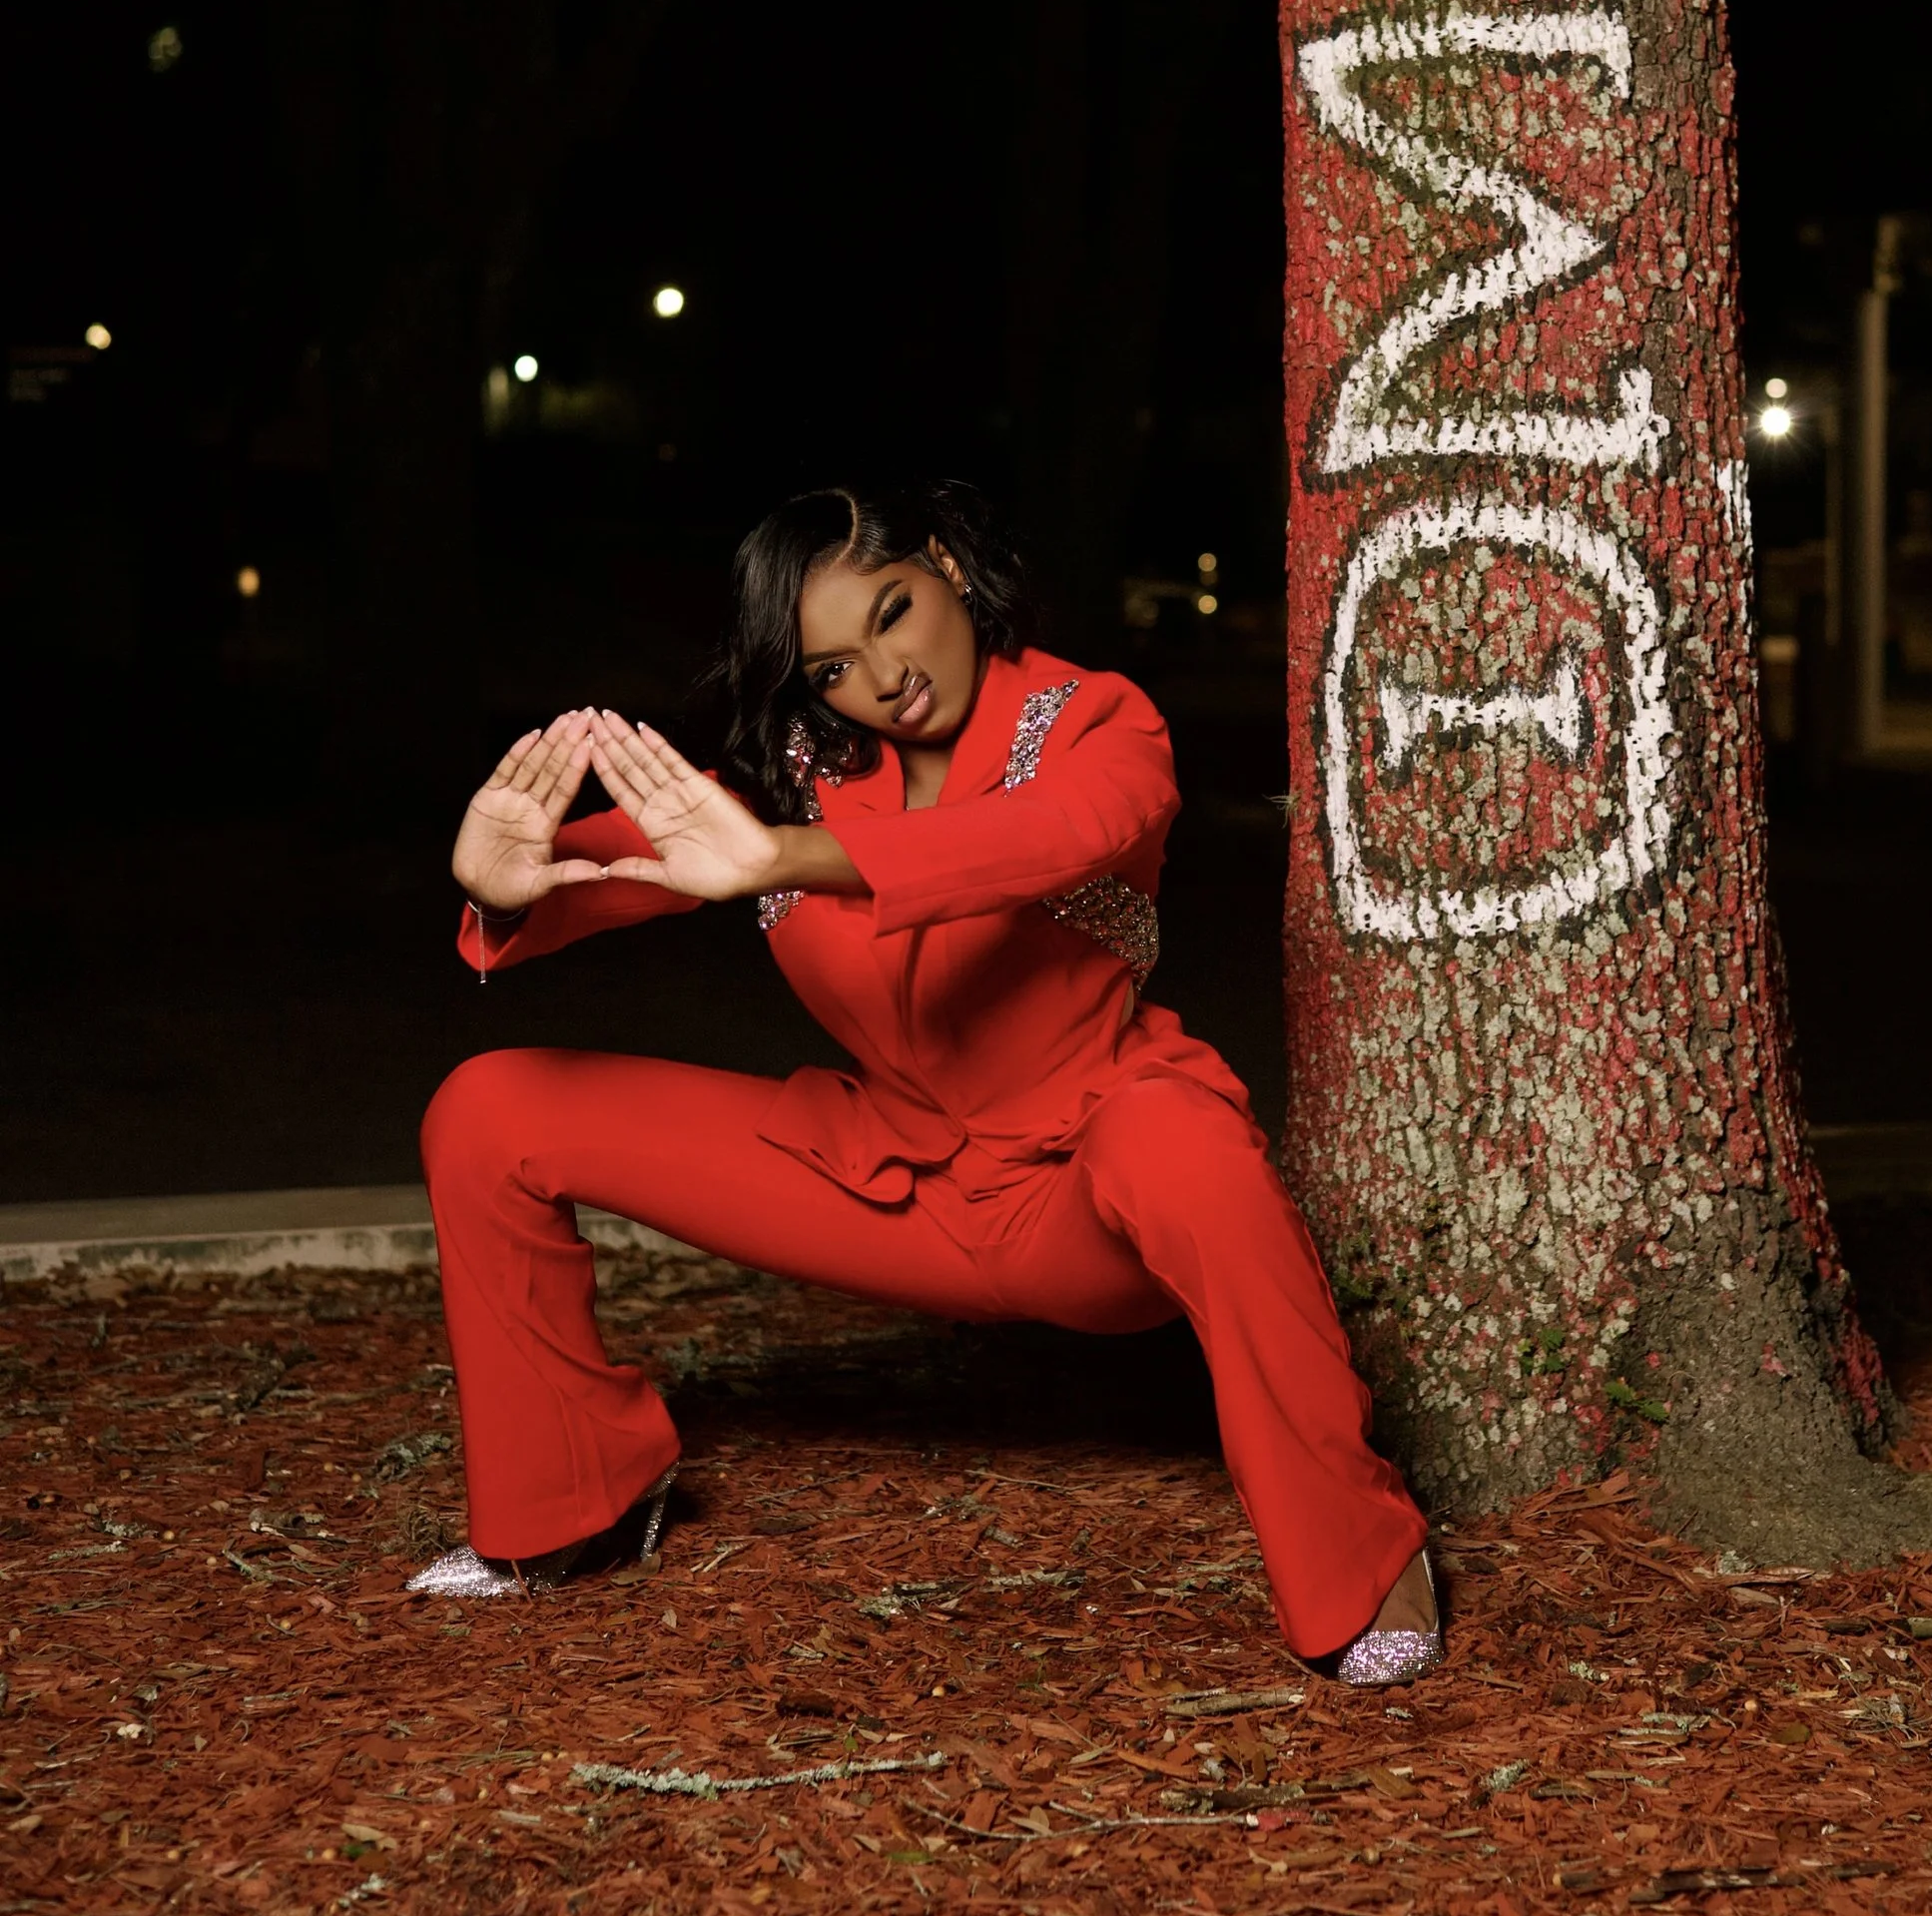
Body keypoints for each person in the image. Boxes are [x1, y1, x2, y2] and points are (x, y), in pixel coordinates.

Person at [414, 477, 1440, 1683]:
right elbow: (659, 857)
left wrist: (788, 858)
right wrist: (499, 883)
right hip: (889, 1181)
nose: (882, 675)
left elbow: (1043, 839)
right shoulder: (805, 771)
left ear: (949, 564)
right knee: (488, 1110)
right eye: (835, 666)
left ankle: (1360, 1563)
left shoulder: (1097, 723)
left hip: (1087, 1188)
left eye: (892, 611)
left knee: (1183, 1144)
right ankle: (575, 1505)